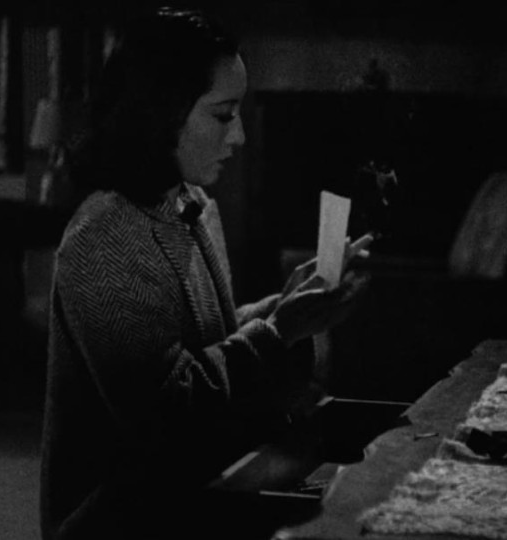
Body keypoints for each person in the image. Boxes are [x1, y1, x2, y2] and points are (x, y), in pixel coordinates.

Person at [40, 8, 371, 539]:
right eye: (223, 115)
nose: (239, 137)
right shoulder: (105, 237)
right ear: (161, 113)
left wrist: (286, 305)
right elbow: (169, 413)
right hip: (123, 520)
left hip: (198, 486)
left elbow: (205, 338)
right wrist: (280, 330)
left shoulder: (190, 204)